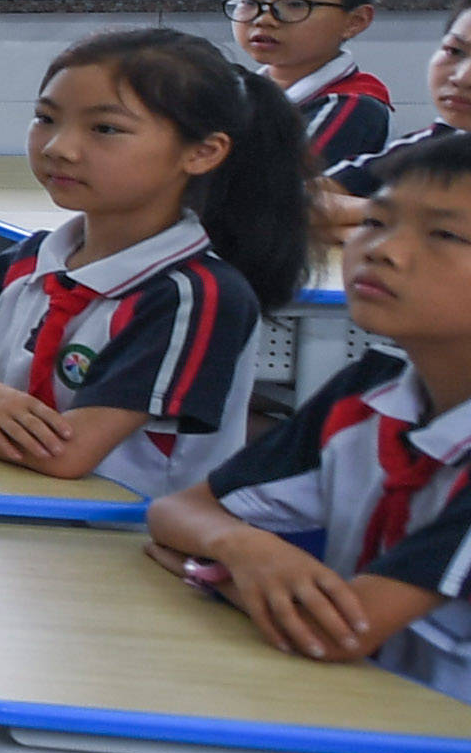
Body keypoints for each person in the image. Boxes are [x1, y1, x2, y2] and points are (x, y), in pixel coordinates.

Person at [0, 29, 300, 500]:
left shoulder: (191, 294)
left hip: (128, 536)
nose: (58, 147)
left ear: (201, 152)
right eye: (45, 118)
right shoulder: (33, 260)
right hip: (16, 497)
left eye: (105, 129)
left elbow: (66, 456)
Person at [149, 129, 471, 698]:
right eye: (376, 220)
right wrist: (248, 548)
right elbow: (178, 512)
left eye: (444, 234)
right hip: (352, 715)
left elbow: (341, 630)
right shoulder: (374, 388)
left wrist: (214, 571)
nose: (383, 250)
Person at [229, 0, 393, 181]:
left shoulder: (353, 105)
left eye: (295, 4)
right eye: (250, 2)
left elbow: (277, 190)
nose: (264, 19)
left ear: (356, 21)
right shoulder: (239, 90)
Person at [315, 5, 471, 241]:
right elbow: (298, 201)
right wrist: (388, 220)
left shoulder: (354, 105)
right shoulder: (433, 144)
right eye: (455, 51)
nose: (463, 77)